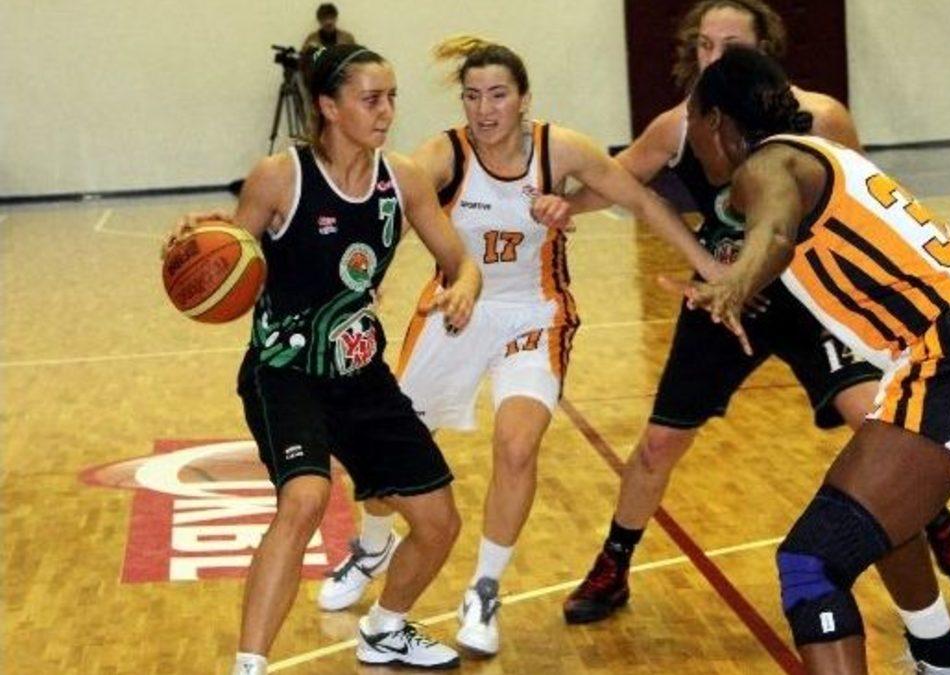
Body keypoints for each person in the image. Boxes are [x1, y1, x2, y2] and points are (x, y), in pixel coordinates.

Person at [561, 0, 950, 643]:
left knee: (880, 426)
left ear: (764, 50)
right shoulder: (680, 125)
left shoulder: (821, 118)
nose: (714, 56)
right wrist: (562, 204)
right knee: (659, 443)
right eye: (704, 44)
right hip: (725, 299)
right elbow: (617, 177)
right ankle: (614, 563)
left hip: (810, 301)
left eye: (730, 44)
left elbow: (858, 203)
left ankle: (945, 533)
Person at [314, 36, 722, 657]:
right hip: (453, 310)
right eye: (473, 96)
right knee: (387, 448)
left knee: (516, 444)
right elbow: (379, 206)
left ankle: (483, 589)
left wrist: (711, 270)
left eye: (498, 95)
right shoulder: (445, 154)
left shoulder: (561, 149)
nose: (484, 110)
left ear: (524, 99)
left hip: (535, 315)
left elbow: (641, 198)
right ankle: (372, 547)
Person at [671, 45, 950, 674]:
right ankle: (942, 659)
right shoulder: (820, 154)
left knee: (812, 563)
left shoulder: (769, 163)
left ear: (715, 122)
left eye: (692, 124)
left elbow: (776, 233)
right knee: (879, 515)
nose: (690, 142)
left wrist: (735, 283)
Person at [166, 44, 482, 673]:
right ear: (330, 107)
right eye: (372, 99)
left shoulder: (403, 180)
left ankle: (385, 629)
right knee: (305, 498)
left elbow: (460, 260)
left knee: (439, 521)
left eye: (392, 97)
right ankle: (250, 665)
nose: (387, 111)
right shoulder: (280, 176)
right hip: (284, 372)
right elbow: (234, 250)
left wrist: (465, 286)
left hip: (361, 376)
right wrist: (202, 239)